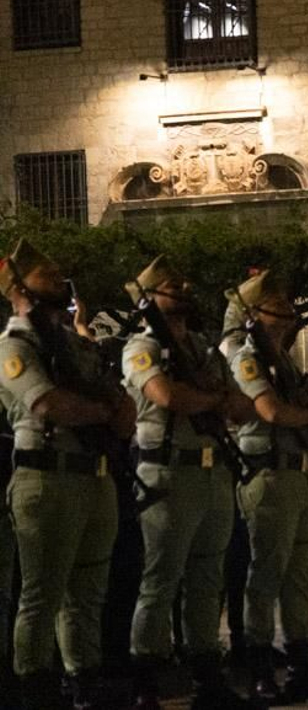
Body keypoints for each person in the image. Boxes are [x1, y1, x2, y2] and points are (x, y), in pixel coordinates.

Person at [0, 241, 135, 708]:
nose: (59, 281)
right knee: (42, 594)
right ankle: (34, 687)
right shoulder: (14, 345)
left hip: (93, 476)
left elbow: (124, 410)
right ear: (18, 287)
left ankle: (83, 681)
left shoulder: (75, 347)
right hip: (49, 476)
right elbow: (49, 404)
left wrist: (104, 410)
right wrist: (102, 410)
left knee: (87, 594)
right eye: (45, 275)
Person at [121, 256, 255, 710]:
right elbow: (166, 395)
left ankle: (206, 676)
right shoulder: (140, 346)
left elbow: (239, 406)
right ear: (150, 297)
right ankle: (146, 681)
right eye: (168, 285)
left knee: (206, 580)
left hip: (211, 470)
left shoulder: (200, 347)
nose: (180, 289)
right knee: (160, 579)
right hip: (167, 474)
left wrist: (214, 399)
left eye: (180, 282)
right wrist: (213, 399)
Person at [221, 270, 308, 703]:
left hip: (300, 473)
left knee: (298, 580)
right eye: (278, 309)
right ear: (255, 315)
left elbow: (296, 400)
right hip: (269, 475)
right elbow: (271, 410)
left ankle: (302, 667)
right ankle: (259, 669)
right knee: (264, 576)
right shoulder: (247, 356)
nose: (288, 317)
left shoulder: (283, 358)